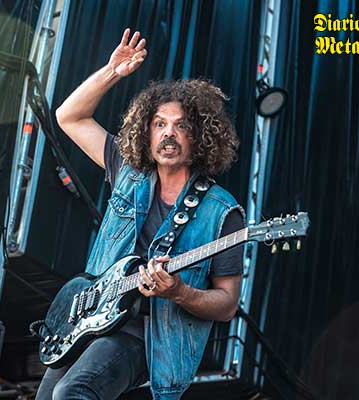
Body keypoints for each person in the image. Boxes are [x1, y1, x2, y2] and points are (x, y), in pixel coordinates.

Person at [36, 28, 245, 400]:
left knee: (72, 392)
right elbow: (69, 116)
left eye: (182, 126)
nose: (169, 134)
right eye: (160, 124)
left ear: (200, 137)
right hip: (88, 318)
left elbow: (227, 304)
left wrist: (180, 292)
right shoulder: (128, 172)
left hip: (147, 334)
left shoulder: (221, 212)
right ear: (146, 133)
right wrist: (112, 72)